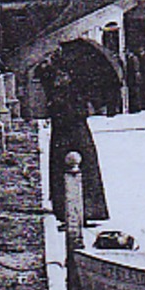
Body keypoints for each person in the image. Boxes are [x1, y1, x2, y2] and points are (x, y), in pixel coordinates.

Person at [36, 47, 109, 222]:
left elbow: (86, 96)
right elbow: (44, 82)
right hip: (64, 123)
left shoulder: (78, 75)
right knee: (65, 161)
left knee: (82, 161)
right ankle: (66, 207)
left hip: (75, 122)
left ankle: (89, 208)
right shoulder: (49, 73)